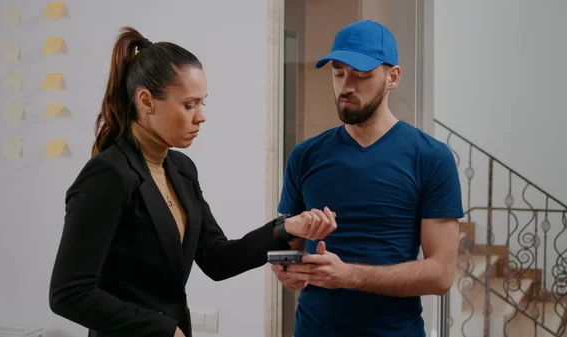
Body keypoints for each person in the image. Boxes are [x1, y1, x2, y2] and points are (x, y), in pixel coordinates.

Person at [48, 27, 337, 337]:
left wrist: (285, 228)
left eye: (203, 103)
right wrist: (162, 329)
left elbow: (217, 259)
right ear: (146, 101)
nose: (201, 116)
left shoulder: (181, 170)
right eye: (189, 105)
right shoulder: (108, 174)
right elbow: (69, 294)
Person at [271, 20, 464, 337]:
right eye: (338, 73)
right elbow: (290, 244)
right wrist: (289, 269)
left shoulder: (430, 157)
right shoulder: (304, 156)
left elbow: (440, 275)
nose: (346, 86)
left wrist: (348, 276)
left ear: (393, 78)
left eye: (361, 75)